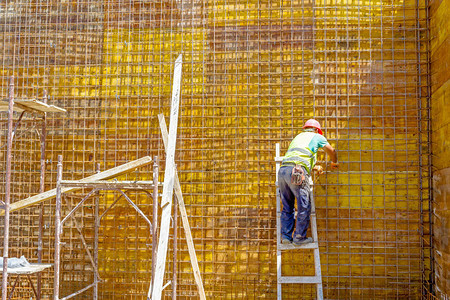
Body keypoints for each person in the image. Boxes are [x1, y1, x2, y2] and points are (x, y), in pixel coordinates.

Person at [278, 119, 338, 245]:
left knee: (287, 206)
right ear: (316, 130)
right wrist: (334, 162)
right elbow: (332, 151)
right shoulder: (316, 136)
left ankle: (286, 237)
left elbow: (298, 158)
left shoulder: (298, 137)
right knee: (303, 205)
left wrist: (315, 167)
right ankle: (299, 237)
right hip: (296, 172)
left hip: (283, 172)